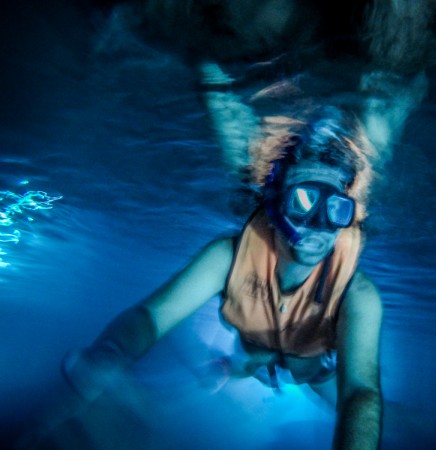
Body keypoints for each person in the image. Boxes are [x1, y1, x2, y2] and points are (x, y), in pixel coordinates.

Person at [60, 106, 383, 449]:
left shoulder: (356, 293)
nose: (318, 225)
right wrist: (111, 355)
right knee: (240, 364)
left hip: (312, 369)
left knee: (293, 379)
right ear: (272, 207)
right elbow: (150, 317)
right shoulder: (227, 256)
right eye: (303, 200)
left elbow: (360, 393)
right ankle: (176, 394)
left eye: (336, 208)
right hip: (253, 354)